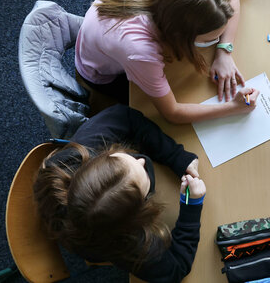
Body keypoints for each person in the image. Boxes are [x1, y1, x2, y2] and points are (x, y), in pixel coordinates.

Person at [33, 104, 204, 282]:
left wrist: (175, 156)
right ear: (140, 214)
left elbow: (123, 116)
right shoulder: (126, 244)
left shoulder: (78, 154)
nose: (141, 162)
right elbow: (174, 270)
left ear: (98, 161)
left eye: (125, 158)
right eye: (143, 178)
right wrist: (191, 206)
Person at [76, 0, 259, 123]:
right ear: (180, 37)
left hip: (105, 37)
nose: (213, 42)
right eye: (207, 40)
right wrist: (233, 107)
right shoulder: (140, 51)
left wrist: (224, 51)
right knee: (143, 110)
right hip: (99, 73)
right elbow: (172, 113)